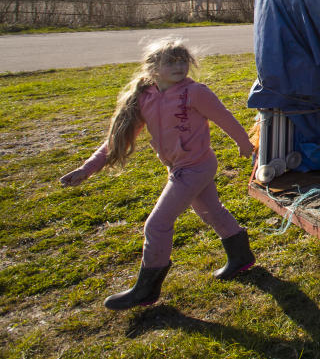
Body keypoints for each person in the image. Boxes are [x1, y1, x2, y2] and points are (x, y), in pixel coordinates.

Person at [60, 36, 256, 310]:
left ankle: (146, 289)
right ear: (153, 68)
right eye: (170, 62)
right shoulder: (144, 98)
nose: (179, 66)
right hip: (178, 166)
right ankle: (241, 256)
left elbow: (224, 117)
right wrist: (87, 168)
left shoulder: (195, 92)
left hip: (196, 166)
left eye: (182, 61)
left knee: (157, 224)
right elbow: (118, 138)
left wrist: (244, 144)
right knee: (210, 211)